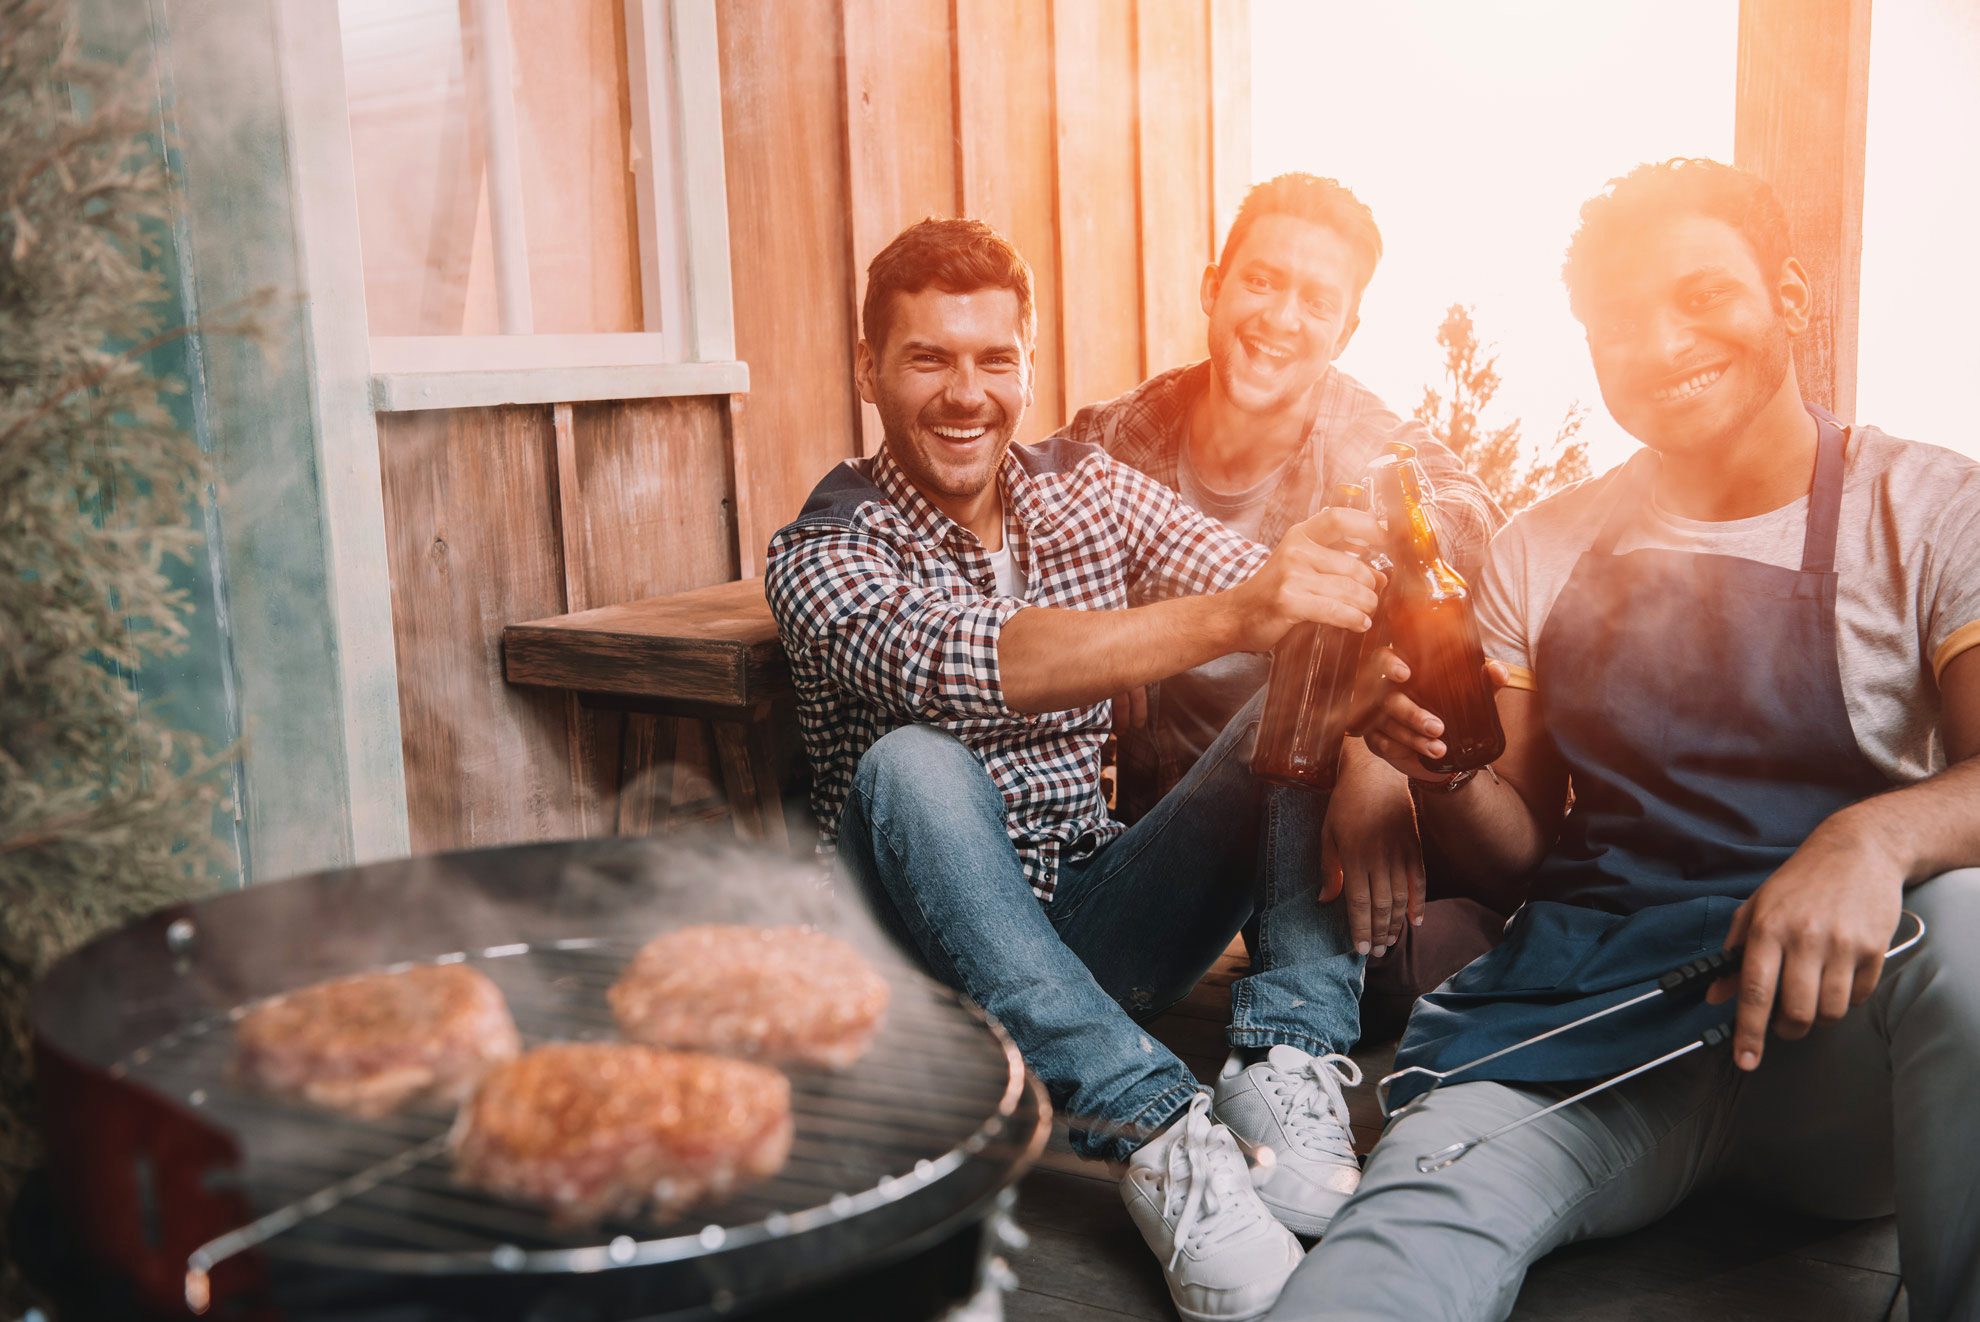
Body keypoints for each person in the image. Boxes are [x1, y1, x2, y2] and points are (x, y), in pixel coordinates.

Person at [1269, 158, 1980, 1321]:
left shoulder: (1932, 508)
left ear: (1791, 296)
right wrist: (1441, 769)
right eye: (1619, 324)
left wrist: (1873, 835)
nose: (1660, 344)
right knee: (1383, 1266)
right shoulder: (1544, 548)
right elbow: (1514, 856)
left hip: (1845, 1062)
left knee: (1968, 918)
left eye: (1702, 295)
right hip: (1586, 1034)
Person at [766, 217, 1387, 1321]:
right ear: (870, 370)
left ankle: (1289, 1052)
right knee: (913, 760)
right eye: (929, 358)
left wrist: (1355, 699)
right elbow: (983, 664)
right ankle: (1160, 1132)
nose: (967, 393)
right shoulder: (826, 548)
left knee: (1306, 671)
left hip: (1094, 937)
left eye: (994, 359)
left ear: (1029, 362)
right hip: (926, 981)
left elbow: (1272, 591)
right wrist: (1243, 609)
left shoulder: (1082, 487)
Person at [1053, 172, 1509, 1040]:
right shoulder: (1116, 441)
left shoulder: (1373, 446)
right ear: (1213, 288)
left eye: (1315, 299)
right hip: (1175, 842)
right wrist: (1101, 645)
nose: (1280, 318)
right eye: (1260, 282)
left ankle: (1296, 1052)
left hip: (1314, 856)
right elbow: (1020, 527)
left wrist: (1370, 757)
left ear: (1347, 329)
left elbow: (1472, 522)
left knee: (1403, 977)